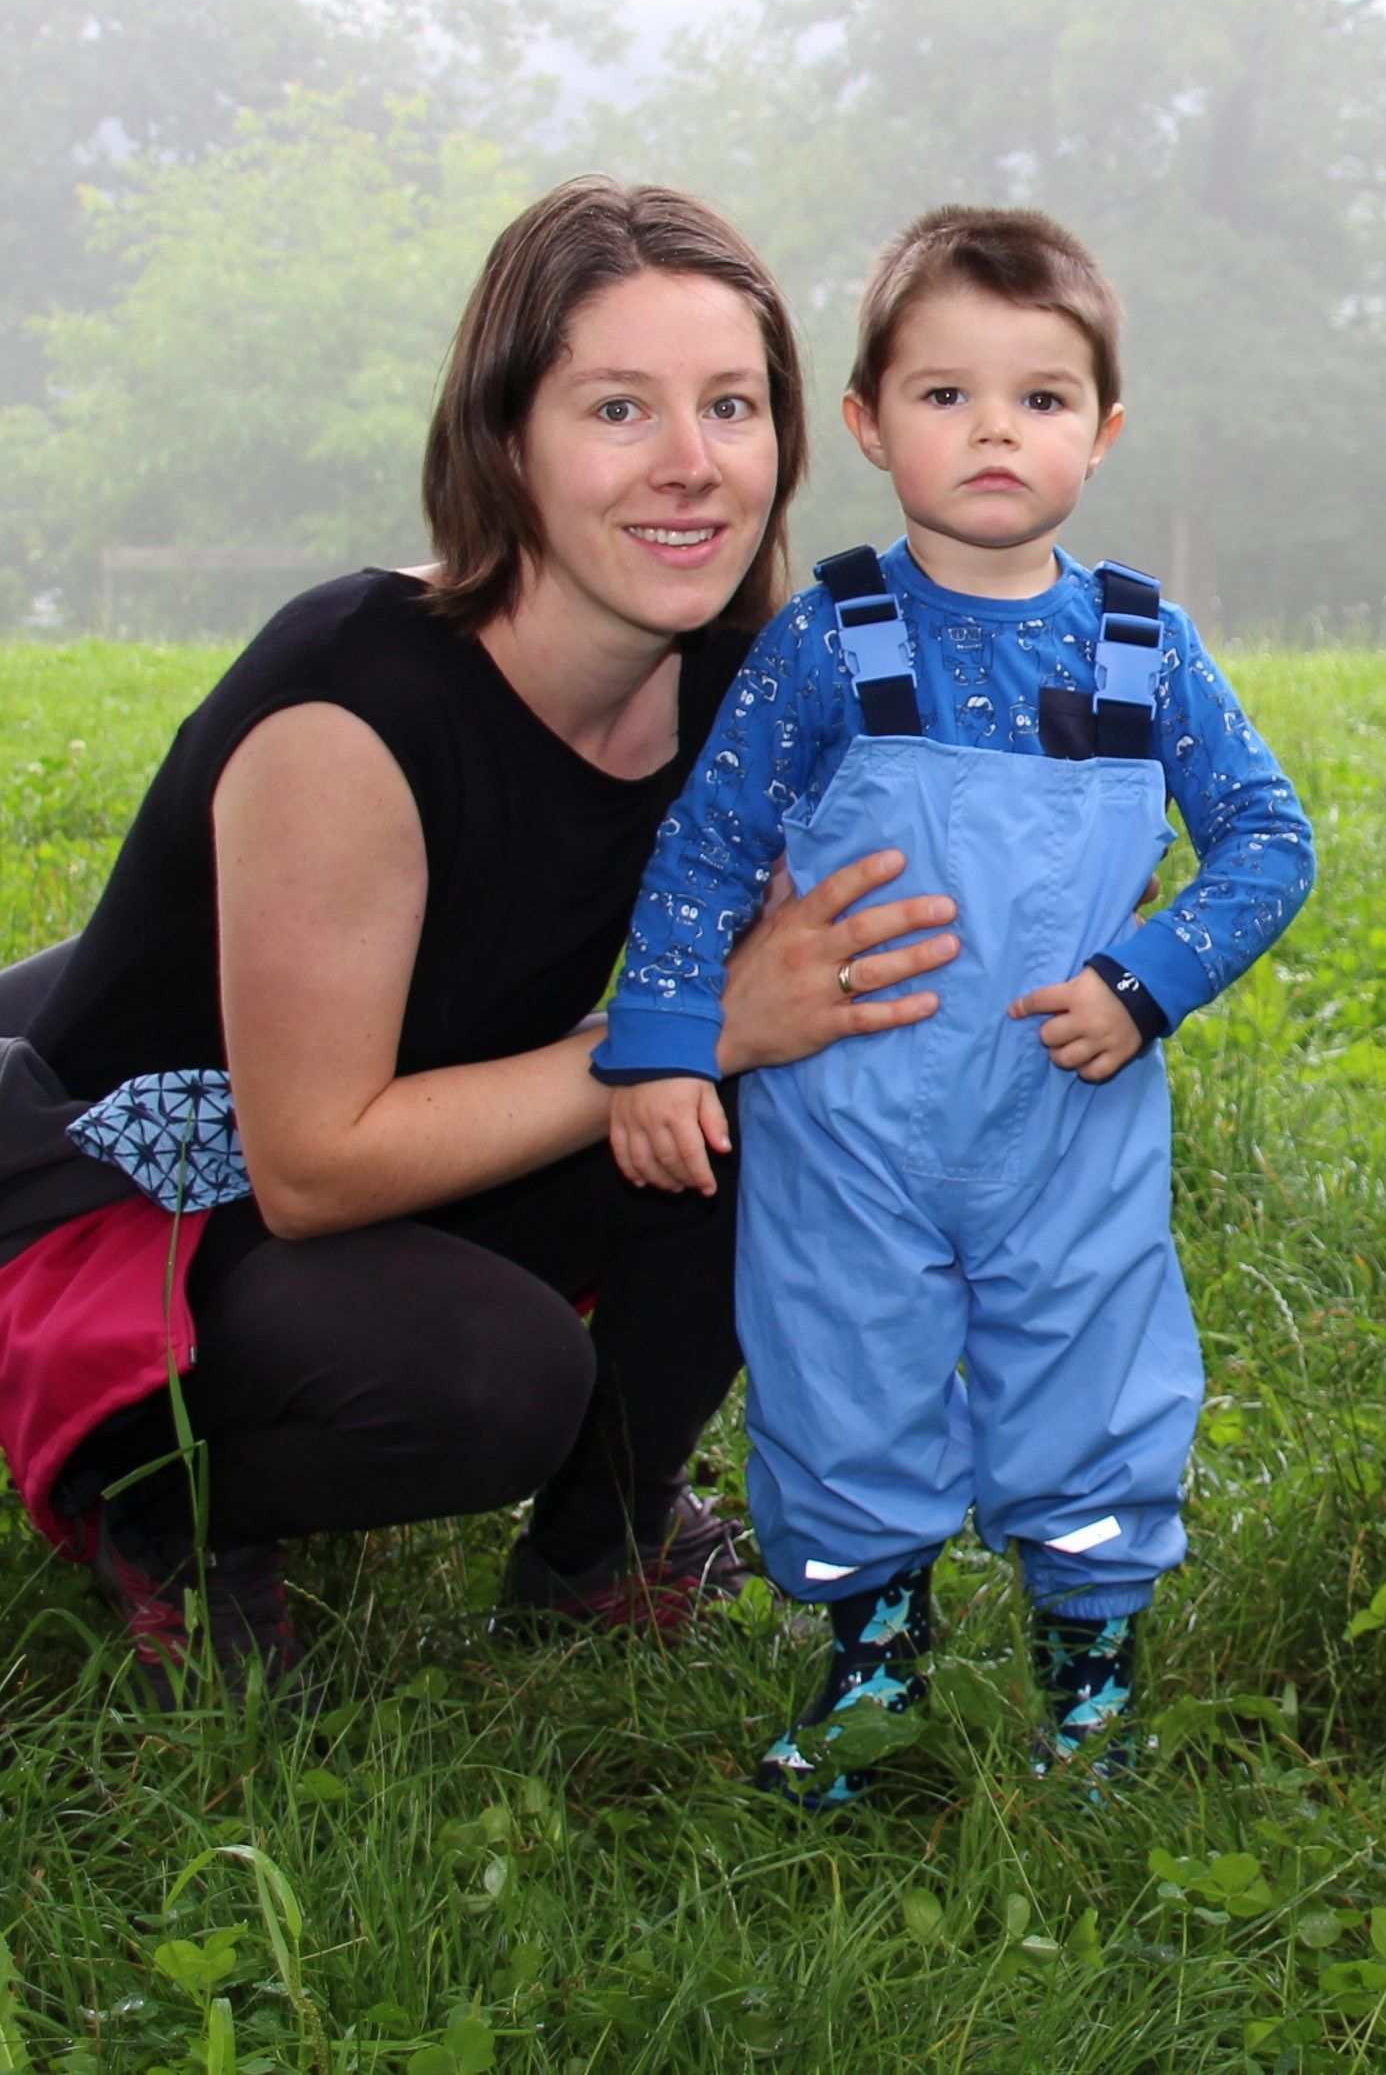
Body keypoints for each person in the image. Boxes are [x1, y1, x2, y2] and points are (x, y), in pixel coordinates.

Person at [0, 179, 970, 1706]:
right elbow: (312, 1163)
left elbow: (855, 953)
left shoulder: (724, 674)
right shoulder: (350, 705)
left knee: (798, 1088)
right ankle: (161, 1501)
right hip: (140, 1194)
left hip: (412, 1124)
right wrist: (700, 1026)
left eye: (731, 404)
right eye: (616, 408)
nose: (689, 464)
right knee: (491, 1378)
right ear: (502, 438)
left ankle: (598, 1549)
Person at [594, 206, 1315, 1807]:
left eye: (1042, 398)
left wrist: (1149, 979)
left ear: (1103, 430)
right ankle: (871, 1664)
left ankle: (1093, 1674)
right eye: (944, 395)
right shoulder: (826, 643)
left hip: (1069, 1117)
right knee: (841, 1367)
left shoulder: (1145, 648)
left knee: (1094, 1372)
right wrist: (659, 1041)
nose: (996, 429)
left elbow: (1270, 841)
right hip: (848, 1122)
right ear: (862, 423)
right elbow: (708, 845)